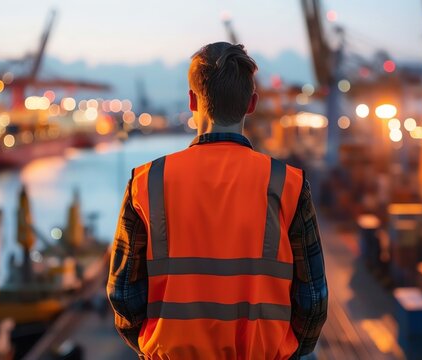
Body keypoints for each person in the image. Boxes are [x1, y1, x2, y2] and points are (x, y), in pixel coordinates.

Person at [107, 42, 328, 359]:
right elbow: (313, 299)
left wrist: (151, 346)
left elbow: (123, 294)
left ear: (192, 100)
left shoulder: (147, 182)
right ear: (251, 104)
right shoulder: (287, 184)